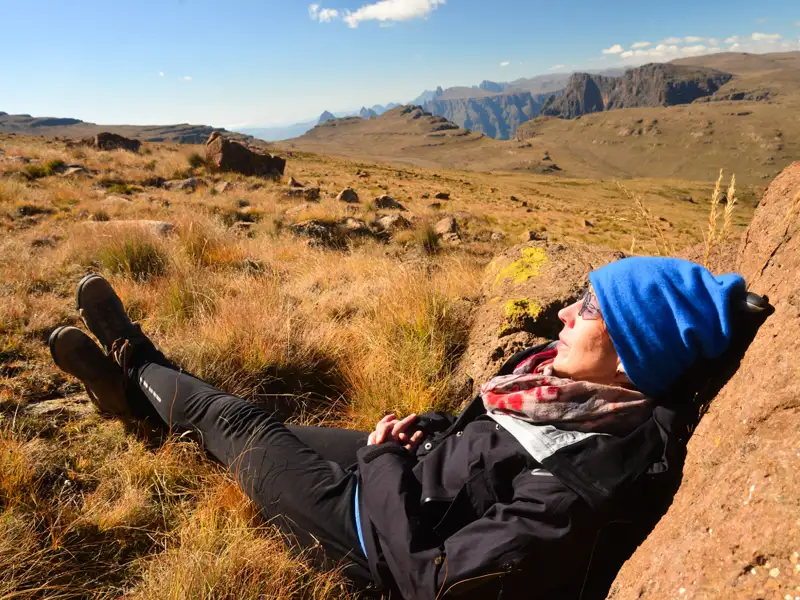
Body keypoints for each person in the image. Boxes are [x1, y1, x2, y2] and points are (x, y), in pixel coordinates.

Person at [48, 257, 755, 599]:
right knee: (262, 431)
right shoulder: (575, 393)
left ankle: (134, 355)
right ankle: (133, 400)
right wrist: (434, 431)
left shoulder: (582, 483)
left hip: (371, 532)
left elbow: (432, 578)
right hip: (418, 470)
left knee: (234, 421)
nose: (565, 315)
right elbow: (494, 454)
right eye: (578, 297)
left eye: (592, 310)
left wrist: (383, 464)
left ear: (635, 351)